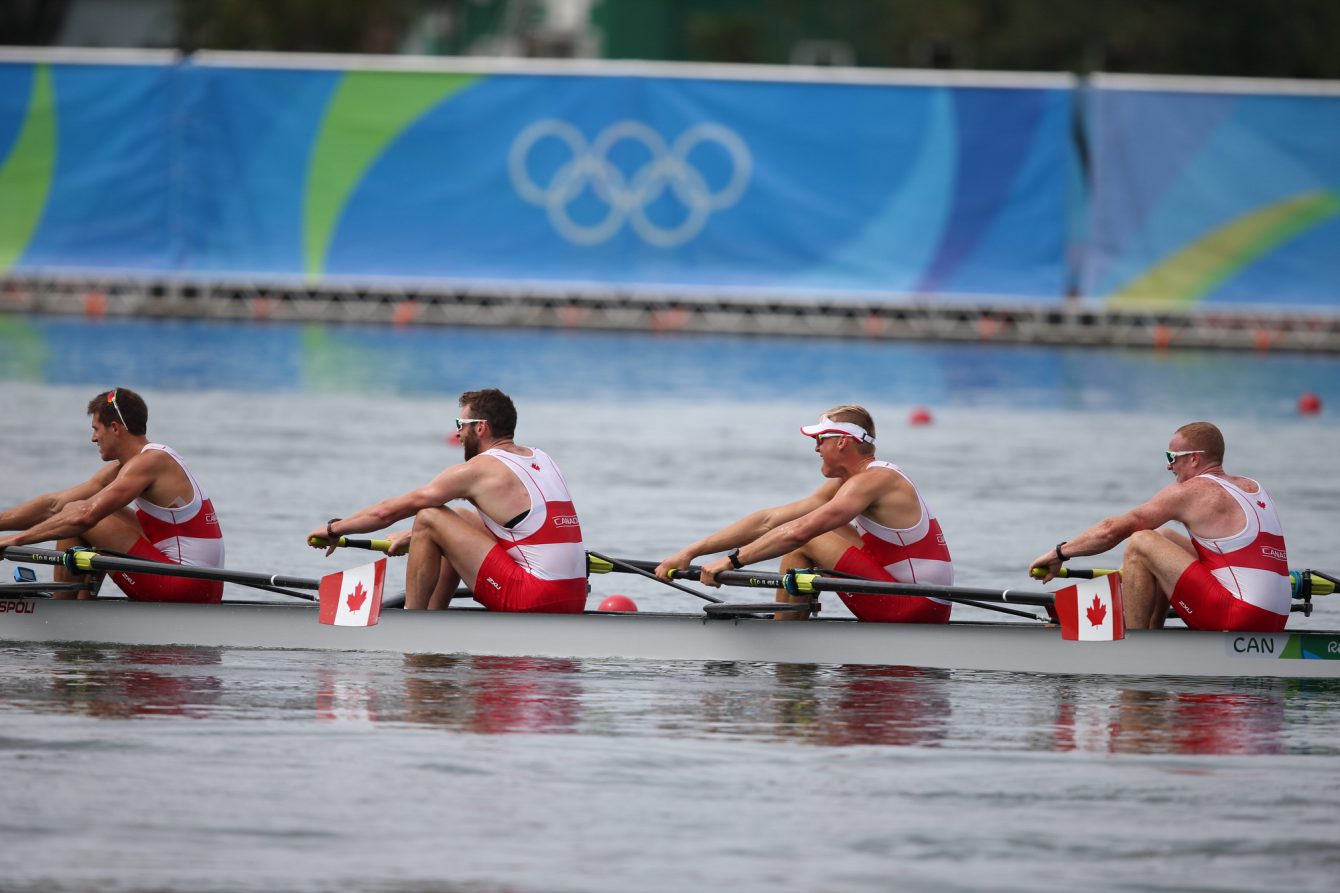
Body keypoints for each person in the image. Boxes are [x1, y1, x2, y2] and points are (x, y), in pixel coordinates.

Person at [655, 404, 953, 622]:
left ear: (842, 441)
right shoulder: (850, 483)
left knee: (808, 536)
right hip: (906, 598)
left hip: (917, 608)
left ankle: (785, 640)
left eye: (819, 440)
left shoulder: (874, 481)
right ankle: (789, 631)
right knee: (803, 541)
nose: (815, 449)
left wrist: (731, 561)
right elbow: (769, 521)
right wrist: (690, 552)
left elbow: (800, 532)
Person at [308, 388, 586, 613]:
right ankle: (433, 615)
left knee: (429, 517)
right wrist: (416, 536)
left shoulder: (480, 470)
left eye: (460, 424)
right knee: (458, 517)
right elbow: (518, 528)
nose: (457, 433)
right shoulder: (542, 458)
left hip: (533, 597)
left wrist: (335, 529)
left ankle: (414, 621)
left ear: (480, 428)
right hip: (574, 596)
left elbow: (386, 512)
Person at [1028, 421, 1290, 632]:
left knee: (1140, 541)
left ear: (1195, 459)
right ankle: (1153, 633)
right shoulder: (1252, 487)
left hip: (1238, 617)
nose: (1168, 465)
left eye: (1172, 456)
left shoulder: (1192, 491)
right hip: (1276, 619)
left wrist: (1058, 553)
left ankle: (1137, 643)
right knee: (1162, 536)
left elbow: (1112, 529)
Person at [0, 387, 225, 603]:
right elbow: (54, 504)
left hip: (184, 586)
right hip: (202, 585)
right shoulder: (141, 462)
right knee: (84, 509)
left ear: (115, 428)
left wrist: (14, 541)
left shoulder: (150, 462)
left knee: (80, 515)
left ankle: (63, 611)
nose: (93, 438)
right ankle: (81, 604)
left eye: (96, 429)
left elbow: (82, 517)